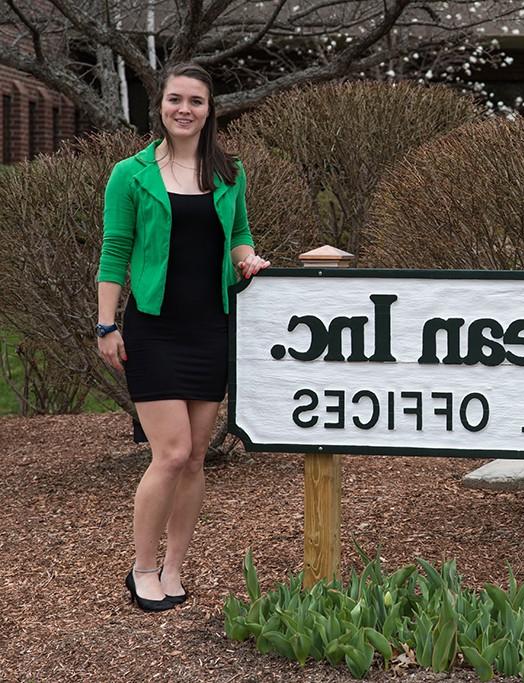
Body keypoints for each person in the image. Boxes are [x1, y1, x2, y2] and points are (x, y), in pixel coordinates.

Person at [97, 63, 270, 612]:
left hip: (210, 329)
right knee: (169, 453)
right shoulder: (132, 174)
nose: (185, 109)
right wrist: (106, 324)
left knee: (195, 457)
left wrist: (247, 259)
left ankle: (174, 569)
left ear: (209, 109)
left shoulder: (228, 171)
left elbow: (238, 233)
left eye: (196, 101)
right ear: (162, 106)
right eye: (176, 99)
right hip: (155, 328)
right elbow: (114, 252)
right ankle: (141, 568)